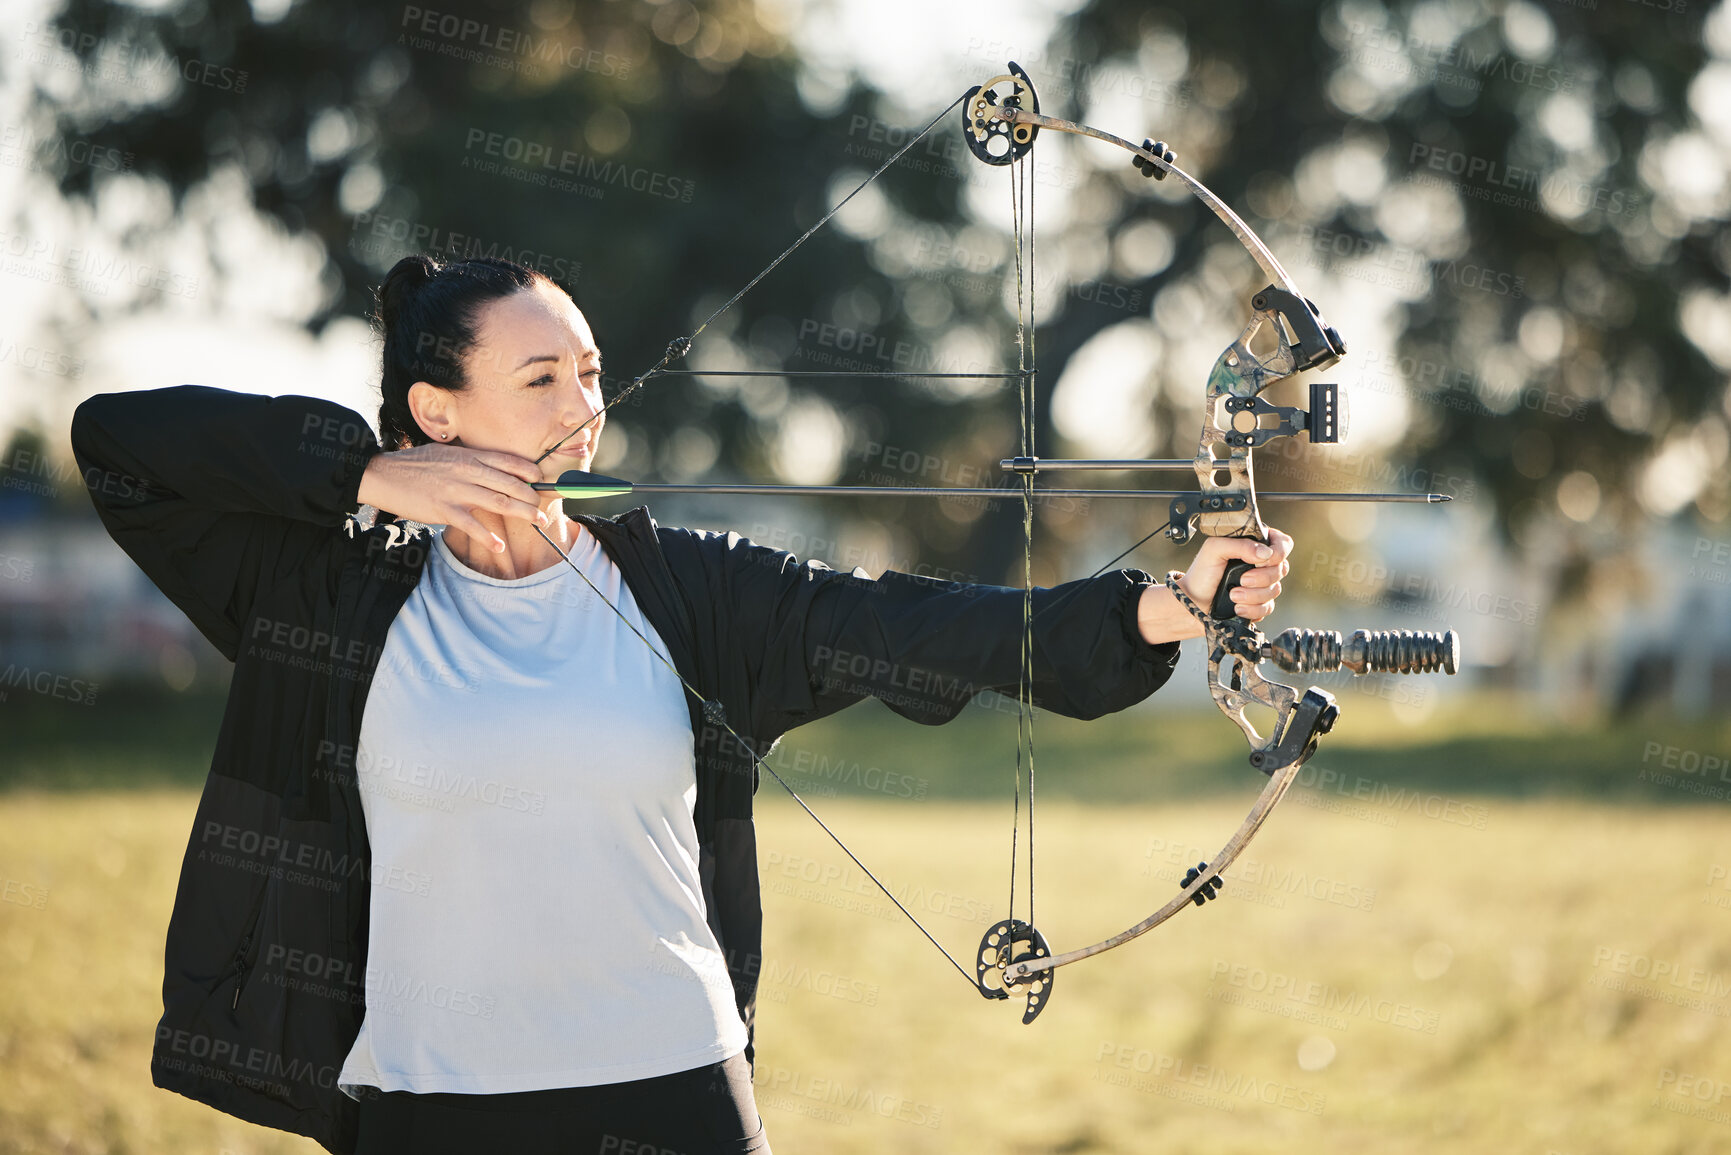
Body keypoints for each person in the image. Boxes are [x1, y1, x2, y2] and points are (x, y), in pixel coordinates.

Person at [70, 254, 1291, 1154]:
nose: (580, 408)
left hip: (671, 1096)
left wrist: (1162, 607)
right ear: (438, 415)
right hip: (426, 1109)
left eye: (589, 375)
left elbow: (919, 625)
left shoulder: (689, 591)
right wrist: (367, 472)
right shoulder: (324, 596)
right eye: (539, 378)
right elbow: (122, 447)